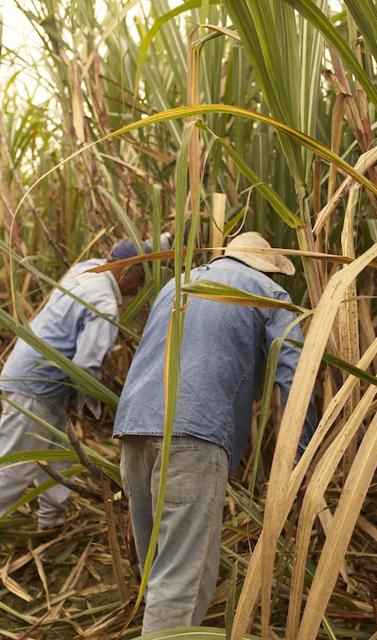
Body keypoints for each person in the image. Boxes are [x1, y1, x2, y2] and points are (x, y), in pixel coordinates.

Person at [113, 231, 316, 633]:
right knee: (180, 580)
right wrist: (302, 452)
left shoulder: (178, 283)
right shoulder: (268, 292)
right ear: (267, 266)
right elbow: (298, 375)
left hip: (134, 426)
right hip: (195, 436)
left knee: (157, 566)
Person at [0, 236, 166, 573]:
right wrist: (103, 406)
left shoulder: (87, 271)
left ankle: (51, 523)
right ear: (127, 271)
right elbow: (86, 366)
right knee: (15, 462)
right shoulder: (103, 304)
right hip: (36, 385)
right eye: (143, 273)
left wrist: (169, 237)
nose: (143, 283)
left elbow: (135, 247)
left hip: (41, 382)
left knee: (58, 454)